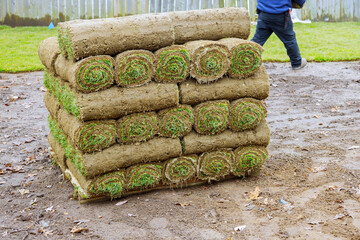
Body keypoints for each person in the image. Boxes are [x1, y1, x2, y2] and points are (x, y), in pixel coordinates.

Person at [251, 0, 307, 70]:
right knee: (289, 40)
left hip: (263, 14)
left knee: (257, 40)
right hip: (280, 15)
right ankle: (297, 63)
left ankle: (246, 60)